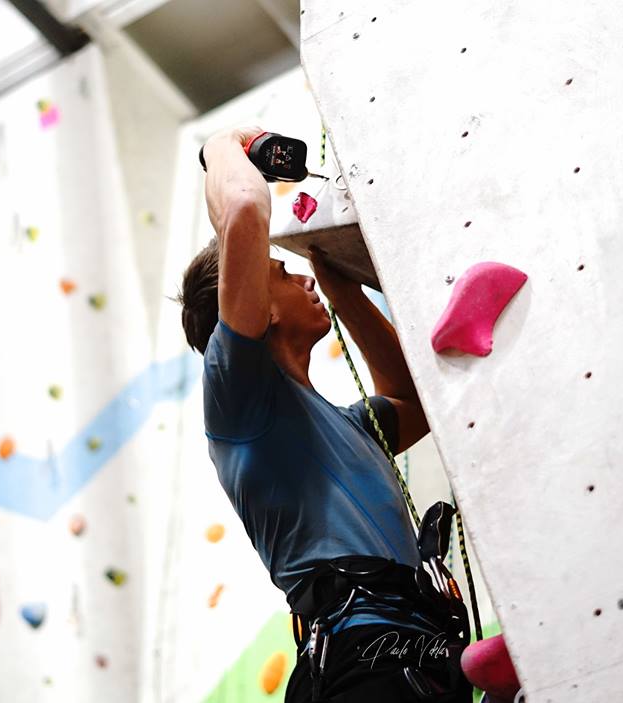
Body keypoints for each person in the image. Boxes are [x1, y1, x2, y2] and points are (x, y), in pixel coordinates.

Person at [177, 126, 472, 702]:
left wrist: (347, 294)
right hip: (363, 662)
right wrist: (220, 146)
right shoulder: (238, 400)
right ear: (258, 310)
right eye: (282, 273)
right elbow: (241, 208)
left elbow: (416, 402)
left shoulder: (343, 425)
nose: (300, 276)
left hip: (413, 655)